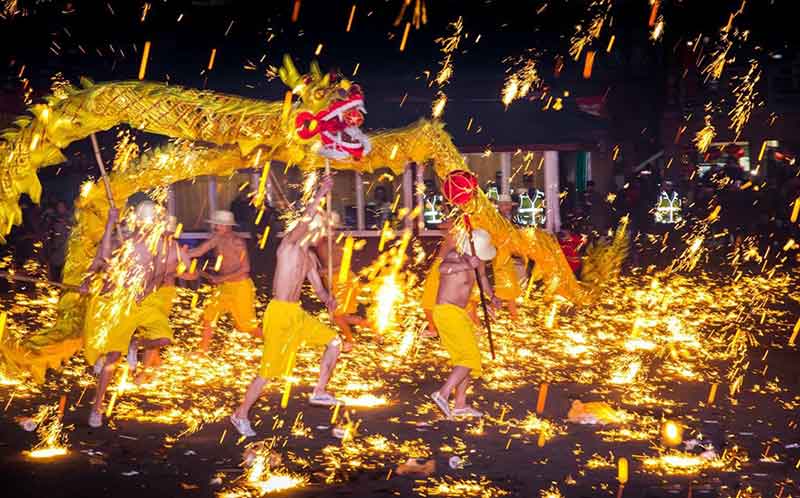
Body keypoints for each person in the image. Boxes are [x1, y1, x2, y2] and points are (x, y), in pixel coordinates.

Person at [230, 175, 342, 437]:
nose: (323, 234)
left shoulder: (310, 257)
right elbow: (304, 219)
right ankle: (240, 413)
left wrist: (328, 299)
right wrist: (321, 193)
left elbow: (317, 287)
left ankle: (320, 391)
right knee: (269, 371)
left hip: (296, 314)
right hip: (279, 312)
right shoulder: (289, 244)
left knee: (334, 342)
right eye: (320, 228)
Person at [82, 202, 194, 428]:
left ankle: (135, 344)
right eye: (146, 225)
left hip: (146, 305)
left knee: (164, 338)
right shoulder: (130, 244)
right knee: (113, 358)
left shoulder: (166, 246)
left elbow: (189, 270)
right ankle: (97, 406)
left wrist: (185, 257)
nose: (148, 229)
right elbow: (104, 258)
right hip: (123, 304)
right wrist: (110, 224)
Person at [429, 228, 499, 419]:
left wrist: (491, 297)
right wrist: (466, 265)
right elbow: (442, 269)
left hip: (459, 313)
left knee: (463, 359)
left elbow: (482, 277)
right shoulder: (456, 255)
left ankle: (460, 405)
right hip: (447, 312)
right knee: (469, 356)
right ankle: (442, 394)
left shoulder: (479, 261)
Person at [188, 210, 260, 352]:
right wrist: (178, 253)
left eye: (218, 225)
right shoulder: (216, 238)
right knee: (209, 315)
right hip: (224, 287)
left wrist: (221, 278)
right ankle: (203, 350)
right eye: (215, 224)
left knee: (247, 326)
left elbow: (245, 268)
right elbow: (198, 251)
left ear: (228, 226)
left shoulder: (237, 242)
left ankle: (272, 345)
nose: (215, 227)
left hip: (241, 287)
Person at [314, 211, 369, 352]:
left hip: (343, 281)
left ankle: (352, 339)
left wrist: (324, 272)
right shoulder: (322, 240)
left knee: (337, 316)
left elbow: (345, 265)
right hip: (337, 282)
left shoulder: (338, 241)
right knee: (339, 316)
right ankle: (368, 329)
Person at [420, 218, 457, 338]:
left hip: (441, 268)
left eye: (448, 220)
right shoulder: (454, 234)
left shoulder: (454, 236)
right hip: (441, 267)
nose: (444, 221)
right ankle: (435, 328)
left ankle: (434, 329)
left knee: (428, 301)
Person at [44, 200, 71, 282]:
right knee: (54, 279)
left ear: (66, 208)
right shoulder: (53, 220)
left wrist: (67, 224)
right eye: (58, 207)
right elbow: (49, 237)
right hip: (55, 255)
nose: (60, 208)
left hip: (66, 255)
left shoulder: (71, 220)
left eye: (62, 206)